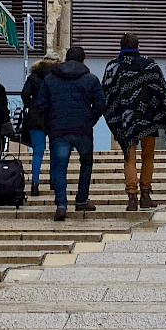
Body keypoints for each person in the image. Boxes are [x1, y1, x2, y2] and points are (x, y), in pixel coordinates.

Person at [102, 33, 166, 211]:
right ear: (138, 46)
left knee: (129, 159)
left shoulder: (113, 66)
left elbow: (106, 94)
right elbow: (162, 91)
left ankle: (131, 197)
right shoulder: (150, 65)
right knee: (148, 156)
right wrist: (165, 115)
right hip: (148, 121)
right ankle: (145, 194)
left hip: (125, 122)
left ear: (120, 46)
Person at [32, 46, 106, 222]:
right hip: (83, 129)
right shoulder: (91, 79)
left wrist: (50, 124)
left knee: (59, 167)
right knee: (86, 164)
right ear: (83, 60)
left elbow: (40, 105)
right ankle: (81, 200)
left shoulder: (50, 79)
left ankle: (61, 205)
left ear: (66, 58)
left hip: (59, 129)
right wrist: (90, 119)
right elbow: (101, 103)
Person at [19, 54, 60, 197]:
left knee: (38, 151)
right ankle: (54, 181)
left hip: (36, 116)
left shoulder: (33, 77)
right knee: (55, 150)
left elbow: (24, 94)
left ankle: (35, 182)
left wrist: (32, 105)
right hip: (54, 115)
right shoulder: (58, 77)